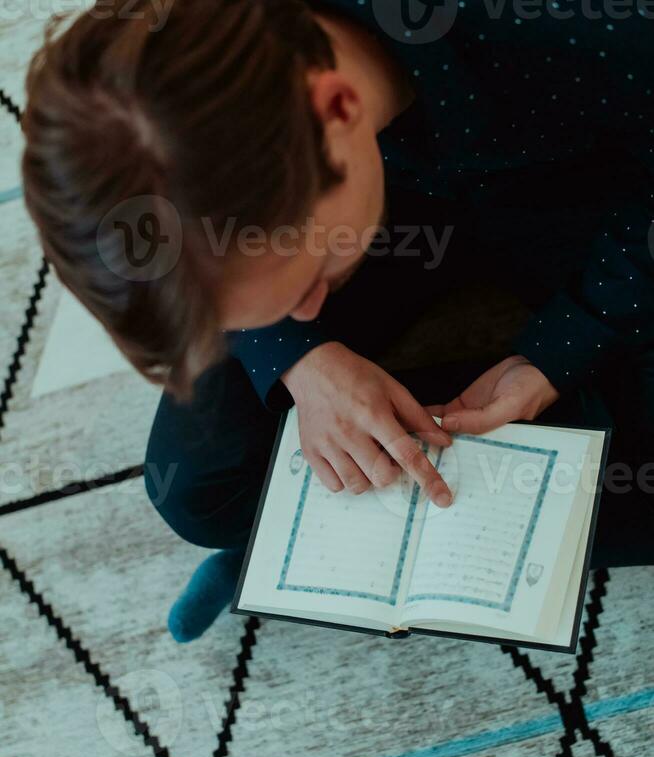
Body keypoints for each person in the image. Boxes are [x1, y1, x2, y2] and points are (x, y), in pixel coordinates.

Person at [21, 0, 654, 641]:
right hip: (392, 192)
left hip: (587, 187)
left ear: (338, 108)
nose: (313, 312)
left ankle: (317, 536)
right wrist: (299, 357)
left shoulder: (587, 25)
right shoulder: (180, 64)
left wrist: (558, 351)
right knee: (196, 483)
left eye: (312, 282)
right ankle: (318, 537)